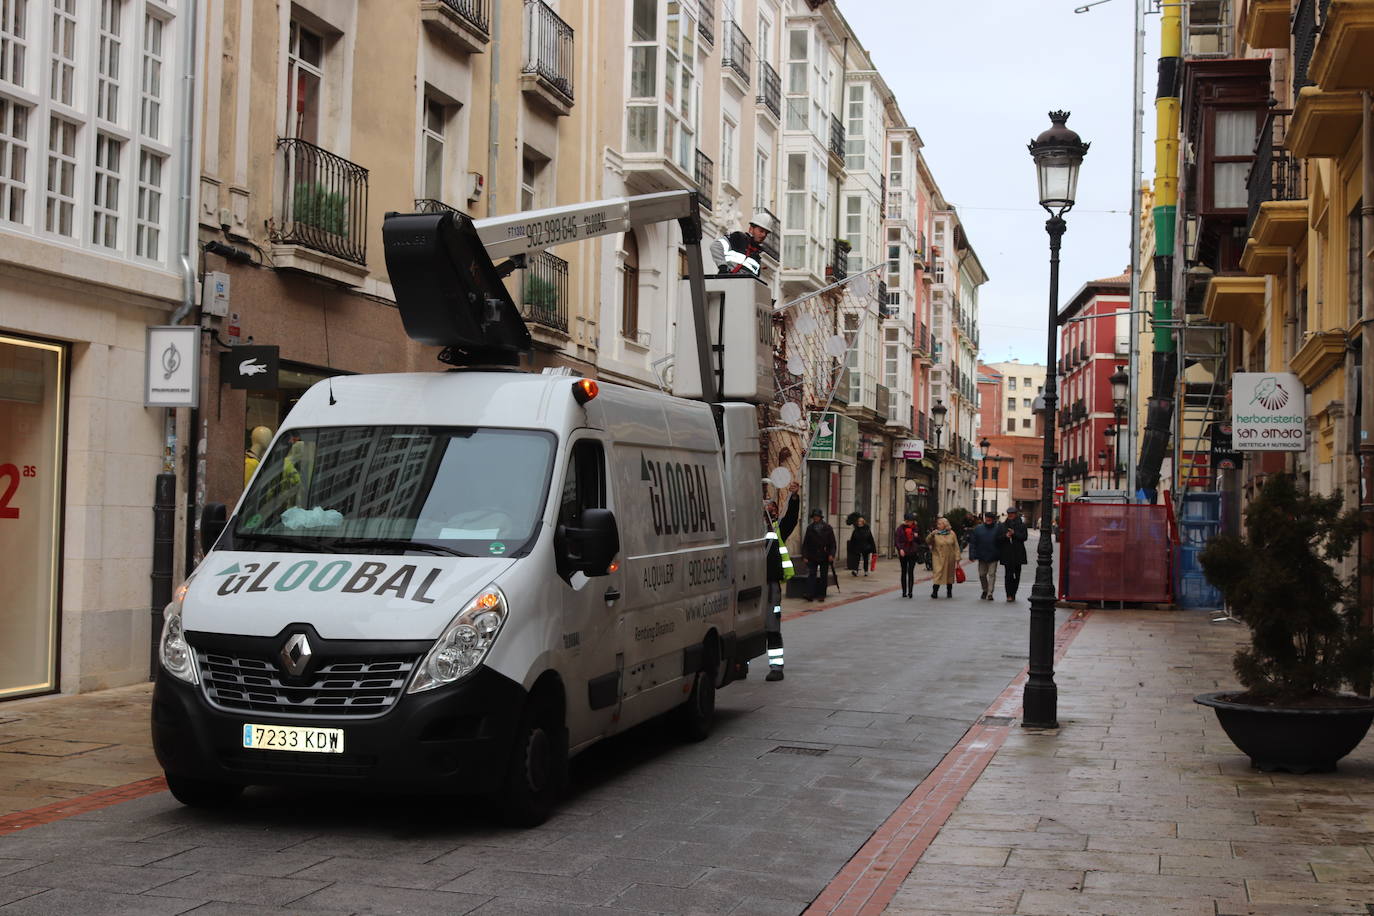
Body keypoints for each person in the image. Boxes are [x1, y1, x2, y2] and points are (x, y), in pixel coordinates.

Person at [763, 483, 800, 682]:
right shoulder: (750, 529)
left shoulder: (779, 529)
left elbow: (792, 518)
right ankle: (741, 664)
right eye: (766, 507)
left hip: (770, 586)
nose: (769, 510)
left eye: (773, 508)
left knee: (772, 626)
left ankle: (776, 666)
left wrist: (794, 498)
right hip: (748, 584)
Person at [800, 508, 836, 602]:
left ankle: (822, 594)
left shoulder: (827, 528)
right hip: (812, 555)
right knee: (812, 574)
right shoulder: (810, 528)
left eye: (817, 516)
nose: (815, 518)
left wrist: (831, 554)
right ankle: (810, 594)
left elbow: (832, 543)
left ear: (820, 517)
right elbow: (806, 543)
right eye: (814, 517)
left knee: (823, 576)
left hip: (824, 555)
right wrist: (804, 555)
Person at [995, 506, 1029, 602]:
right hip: (1007, 553)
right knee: (1008, 575)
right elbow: (998, 539)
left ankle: (1013, 593)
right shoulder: (1002, 525)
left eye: (1012, 514)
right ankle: (1008, 594)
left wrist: (1014, 534)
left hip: (1018, 553)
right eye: (1009, 514)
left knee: (1017, 575)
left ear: (1016, 514)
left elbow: (1024, 537)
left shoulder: (1022, 525)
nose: (1010, 515)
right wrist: (1006, 536)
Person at [968, 511, 1002, 601]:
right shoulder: (978, 529)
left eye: (990, 519)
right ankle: (985, 589)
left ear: (993, 520)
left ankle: (990, 593)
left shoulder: (998, 528)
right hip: (981, 555)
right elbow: (973, 542)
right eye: (987, 518)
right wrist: (971, 554)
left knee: (992, 574)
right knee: (982, 575)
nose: (988, 520)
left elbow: (1002, 541)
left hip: (994, 555)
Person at [926, 516, 961, 599]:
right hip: (938, 557)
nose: (938, 525)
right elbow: (928, 541)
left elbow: (956, 546)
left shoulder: (952, 533)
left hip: (950, 557)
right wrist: (931, 535)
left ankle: (949, 592)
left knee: (949, 575)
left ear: (945, 525)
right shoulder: (935, 533)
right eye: (937, 524)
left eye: (939, 524)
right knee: (938, 574)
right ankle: (935, 592)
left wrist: (957, 557)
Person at [894, 513, 921, 598]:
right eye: (909, 521)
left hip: (913, 552)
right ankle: (904, 591)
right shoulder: (900, 529)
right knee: (904, 571)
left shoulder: (916, 529)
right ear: (905, 521)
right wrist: (900, 549)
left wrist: (916, 537)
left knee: (911, 572)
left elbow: (920, 541)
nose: (910, 523)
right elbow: (897, 540)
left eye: (912, 521)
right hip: (904, 552)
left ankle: (910, 592)